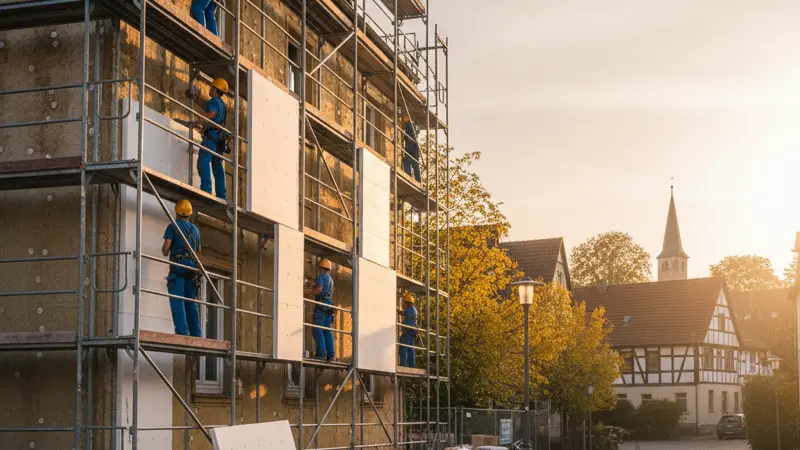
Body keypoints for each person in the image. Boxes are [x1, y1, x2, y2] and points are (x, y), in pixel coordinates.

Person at [161, 199, 202, 337]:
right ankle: (196, 333)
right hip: (191, 268)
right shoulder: (196, 230)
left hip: (178, 266)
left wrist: (166, 251)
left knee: (177, 300)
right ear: (189, 213)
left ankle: (182, 332)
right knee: (190, 302)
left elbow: (166, 248)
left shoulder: (173, 227)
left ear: (177, 212)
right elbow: (197, 252)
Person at [186, 78, 228, 199]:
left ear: (215, 89)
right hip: (219, 139)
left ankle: (206, 190)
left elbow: (211, 114)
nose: (210, 89)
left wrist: (197, 121)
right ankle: (221, 195)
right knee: (217, 166)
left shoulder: (214, 101)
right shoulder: (221, 104)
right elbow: (208, 107)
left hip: (211, 137)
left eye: (211, 87)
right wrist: (196, 98)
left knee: (203, 161)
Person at [305, 258, 335, 361]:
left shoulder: (322, 276)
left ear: (321, 268)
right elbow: (319, 284)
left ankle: (321, 353)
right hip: (328, 304)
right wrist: (310, 281)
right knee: (327, 330)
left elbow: (318, 290)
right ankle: (330, 355)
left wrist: (308, 290)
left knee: (317, 329)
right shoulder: (330, 280)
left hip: (321, 303)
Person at [398, 292, 418, 368]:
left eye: (404, 303)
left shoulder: (410, 309)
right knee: (410, 349)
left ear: (408, 303)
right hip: (411, 332)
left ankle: (402, 364)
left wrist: (396, 310)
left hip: (407, 332)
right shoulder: (414, 309)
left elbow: (403, 313)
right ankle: (412, 365)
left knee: (403, 346)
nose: (404, 305)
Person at [401, 114, 421, 182]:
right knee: (415, 164)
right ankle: (418, 180)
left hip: (411, 145)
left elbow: (408, 134)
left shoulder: (410, 125)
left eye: (404, 117)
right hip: (414, 146)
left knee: (407, 161)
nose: (403, 119)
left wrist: (403, 138)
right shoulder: (415, 125)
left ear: (407, 117)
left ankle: (408, 176)